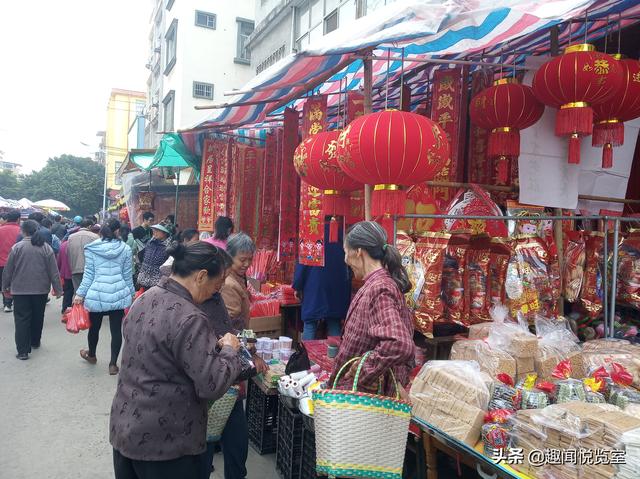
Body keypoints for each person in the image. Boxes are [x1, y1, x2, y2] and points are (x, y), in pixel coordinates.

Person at [110, 241, 242, 479]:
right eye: (217, 285)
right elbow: (211, 384)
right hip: (166, 443)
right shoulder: (190, 317)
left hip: (126, 429)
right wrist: (230, 351)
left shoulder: (144, 298)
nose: (217, 291)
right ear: (201, 276)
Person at [330, 221, 415, 396]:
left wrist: (363, 370)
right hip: (357, 400)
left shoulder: (380, 288)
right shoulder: (375, 285)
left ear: (358, 252)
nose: (345, 260)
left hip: (366, 405)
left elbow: (399, 344)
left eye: (346, 253)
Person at [75, 219, 134, 375]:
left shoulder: (92, 249)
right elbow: (128, 275)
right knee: (116, 330)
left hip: (97, 294)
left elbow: (88, 275)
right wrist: (132, 294)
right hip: (118, 293)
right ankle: (113, 365)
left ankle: (92, 355)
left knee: (94, 328)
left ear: (101, 231)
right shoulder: (126, 249)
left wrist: (80, 294)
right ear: (117, 231)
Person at [2, 220, 63, 360]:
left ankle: (23, 351)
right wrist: (58, 289)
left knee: (22, 319)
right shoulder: (46, 248)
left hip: (20, 290)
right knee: (38, 316)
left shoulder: (17, 247)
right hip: (40, 290)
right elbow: (53, 271)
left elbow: (8, 270)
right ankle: (35, 342)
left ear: (23, 231)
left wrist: (5, 286)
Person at [293, 220, 351, 340]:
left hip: (314, 284)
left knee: (310, 324)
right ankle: (334, 355)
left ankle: (306, 356)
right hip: (337, 285)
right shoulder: (343, 235)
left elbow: (303, 263)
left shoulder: (312, 234)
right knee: (334, 322)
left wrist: (297, 285)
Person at [220, 232, 255, 330]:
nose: (247, 264)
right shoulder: (228, 284)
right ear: (229, 257)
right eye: (242, 260)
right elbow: (231, 321)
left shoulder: (238, 277)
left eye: (250, 259)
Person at [67, 217, 99, 290]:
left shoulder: (71, 237)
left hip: (75, 269)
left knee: (77, 293)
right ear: (89, 226)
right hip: (90, 270)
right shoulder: (95, 237)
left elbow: (68, 253)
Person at [136, 223, 171, 289]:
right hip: (143, 281)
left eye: (157, 230)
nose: (154, 232)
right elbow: (143, 257)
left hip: (158, 284)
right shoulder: (150, 243)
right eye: (154, 230)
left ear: (165, 233)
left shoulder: (169, 247)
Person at [0, 210, 21, 313]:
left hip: (1, 262)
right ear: (18, 219)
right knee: (15, 283)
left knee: (4, 282)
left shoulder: (1, 230)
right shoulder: (21, 231)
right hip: (16, 262)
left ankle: (6, 303)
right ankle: (11, 302)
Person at [57, 238, 74, 312]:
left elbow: (59, 260)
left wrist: (59, 270)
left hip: (66, 273)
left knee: (67, 292)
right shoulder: (78, 244)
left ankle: (65, 309)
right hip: (77, 271)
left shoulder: (63, 245)